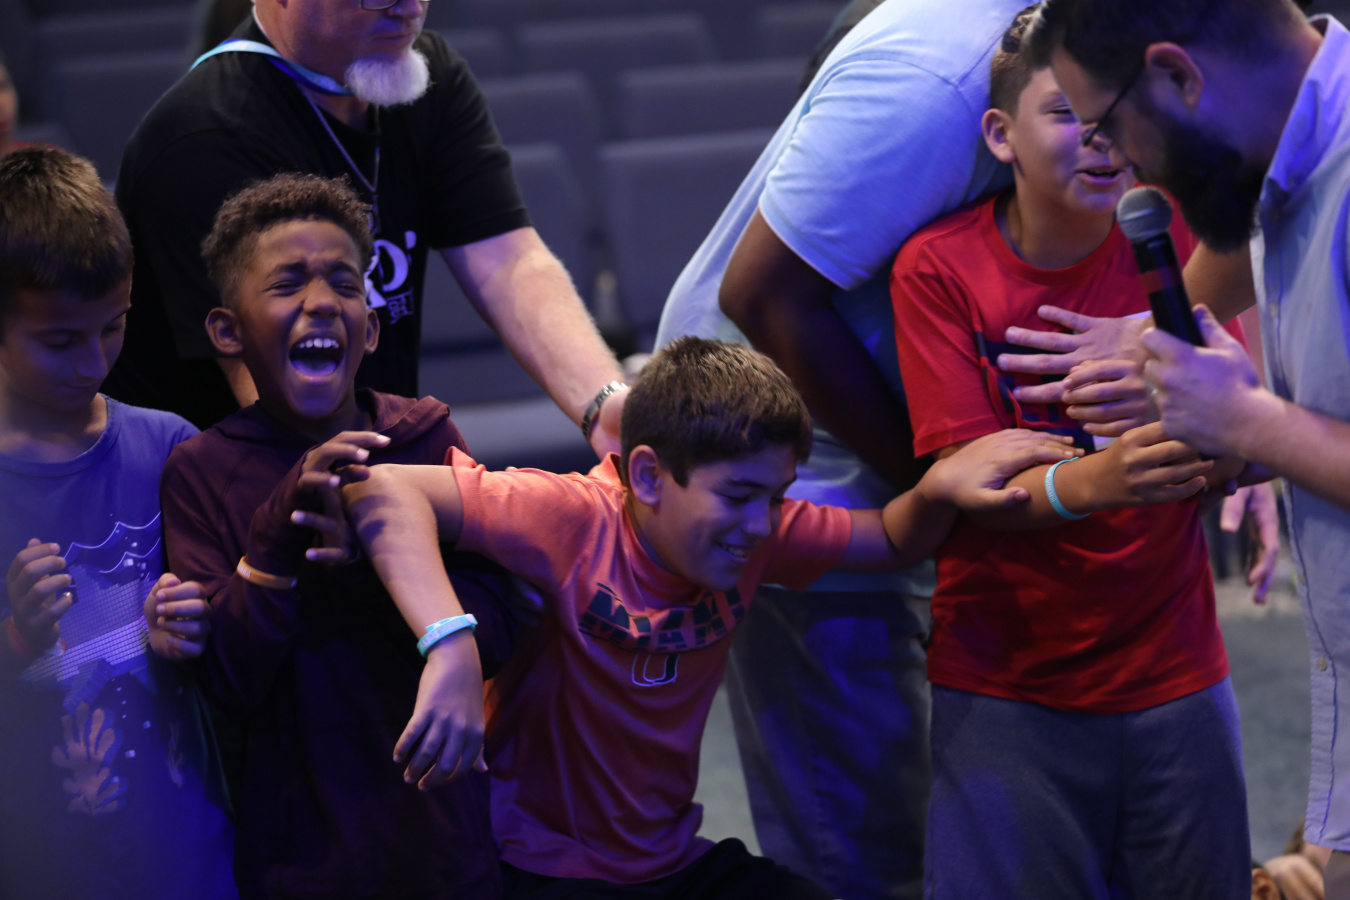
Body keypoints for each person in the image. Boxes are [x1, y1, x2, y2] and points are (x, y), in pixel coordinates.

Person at [341, 337, 1080, 900]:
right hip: (536, 863)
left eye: (777, 497)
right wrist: (451, 645)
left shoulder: (760, 533)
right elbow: (382, 490)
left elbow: (889, 538)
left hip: (669, 862)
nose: (760, 525)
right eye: (738, 496)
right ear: (648, 476)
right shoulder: (572, 515)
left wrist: (941, 485)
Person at [656, 1, 1038, 894]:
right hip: (803, 466)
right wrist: (933, 486)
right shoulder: (937, 79)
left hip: (889, 447)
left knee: (942, 814)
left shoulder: (1040, 45)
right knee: (861, 843)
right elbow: (766, 295)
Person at [890, 10, 1262, 894]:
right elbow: (977, 484)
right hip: (1009, 680)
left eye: (1110, 115)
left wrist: (1232, 451)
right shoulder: (938, 269)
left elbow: (1238, 437)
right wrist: (1106, 477)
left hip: (1176, 666)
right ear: (1001, 135)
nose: (1099, 140)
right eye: (1064, 115)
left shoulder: (1178, 236)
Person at [1023, 0, 1350, 893]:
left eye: (1108, 127)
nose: (1122, 163)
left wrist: (1250, 421)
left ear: (1177, 76)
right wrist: (1238, 430)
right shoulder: (1290, 166)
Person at [147, 173, 518, 898]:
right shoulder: (201, 470)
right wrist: (276, 541)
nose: (321, 301)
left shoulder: (424, 436)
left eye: (344, 284)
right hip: (301, 858)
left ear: (370, 329)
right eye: (288, 283)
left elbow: (501, 622)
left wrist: (373, 563)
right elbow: (226, 682)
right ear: (227, 331)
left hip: (445, 840)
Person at [108, 0, 630, 454]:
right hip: (239, 499)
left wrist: (606, 409)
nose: (410, 9)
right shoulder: (204, 139)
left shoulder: (430, 79)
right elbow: (287, 412)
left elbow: (510, 263)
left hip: (370, 461)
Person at [0, 146, 236, 898]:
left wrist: (195, 626)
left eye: (114, 327)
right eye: (59, 341)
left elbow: (236, 646)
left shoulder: (170, 447)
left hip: (188, 854)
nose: (94, 361)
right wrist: (20, 637)